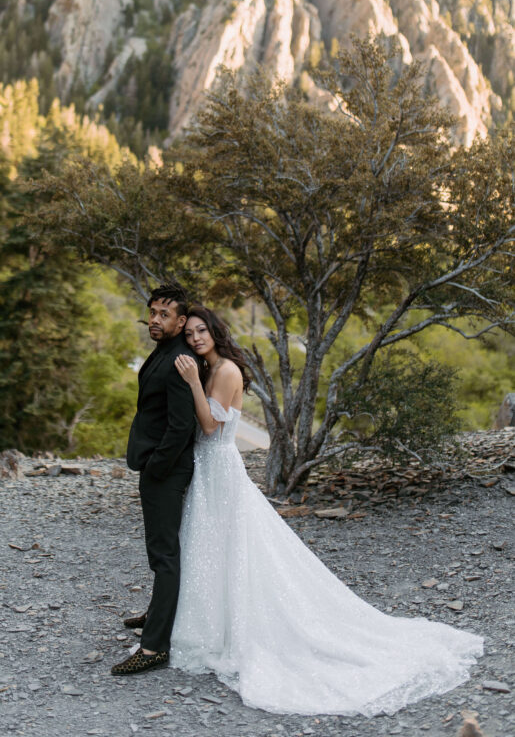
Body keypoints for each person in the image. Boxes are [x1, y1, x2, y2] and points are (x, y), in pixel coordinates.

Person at [168, 304, 485, 717]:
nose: (195, 338)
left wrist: (192, 381)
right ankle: (210, 629)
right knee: (211, 545)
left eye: (200, 330)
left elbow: (210, 426)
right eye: (189, 333)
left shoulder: (224, 370)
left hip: (221, 465)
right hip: (208, 469)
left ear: (214, 330)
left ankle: (241, 633)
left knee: (234, 545)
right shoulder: (209, 368)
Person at [111, 283, 202, 676]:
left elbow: (182, 427)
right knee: (158, 550)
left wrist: (156, 469)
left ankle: (154, 649)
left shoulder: (180, 359)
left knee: (165, 555)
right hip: (156, 467)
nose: (154, 320)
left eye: (164, 315)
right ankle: (155, 614)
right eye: (152, 312)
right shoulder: (163, 351)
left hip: (166, 470)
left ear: (181, 322)